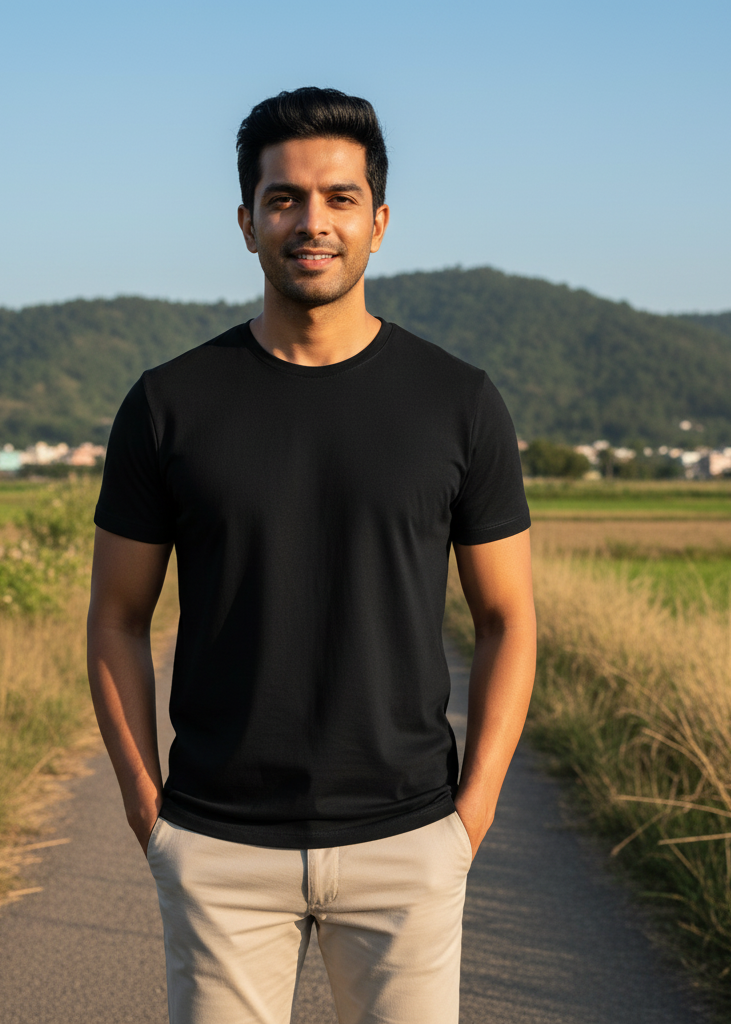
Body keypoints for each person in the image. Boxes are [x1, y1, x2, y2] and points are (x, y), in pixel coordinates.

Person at [87, 86, 536, 1024]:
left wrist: (472, 814)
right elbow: (117, 620)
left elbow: (507, 619)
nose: (312, 221)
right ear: (246, 222)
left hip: (409, 839)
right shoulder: (169, 405)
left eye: (338, 198)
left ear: (379, 220)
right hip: (218, 844)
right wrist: (148, 809)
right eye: (284, 198)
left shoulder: (458, 402)